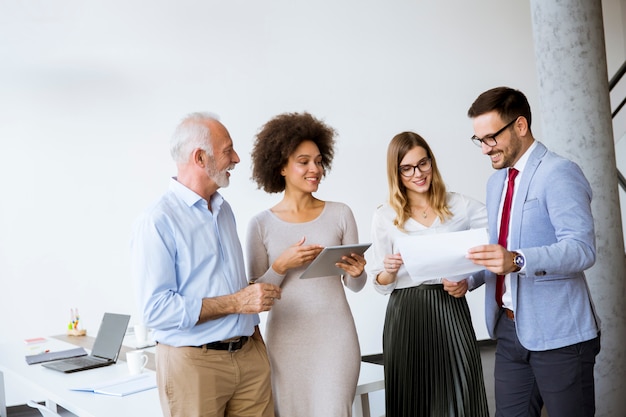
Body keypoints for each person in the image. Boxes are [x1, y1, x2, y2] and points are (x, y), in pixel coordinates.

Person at [130, 112, 282, 417]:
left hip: (249, 356)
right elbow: (155, 309)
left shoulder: (224, 211)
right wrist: (237, 302)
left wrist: (253, 335)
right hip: (194, 365)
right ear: (200, 157)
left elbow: (228, 285)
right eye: (228, 150)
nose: (236, 158)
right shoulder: (158, 220)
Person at [466, 86, 601, 417]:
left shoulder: (559, 172)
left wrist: (518, 260)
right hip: (511, 330)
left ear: (520, 126)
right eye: (478, 140)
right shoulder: (496, 183)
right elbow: (499, 251)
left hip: (561, 336)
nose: (484, 149)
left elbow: (581, 249)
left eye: (490, 138)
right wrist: (468, 280)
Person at [245, 111, 367, 417]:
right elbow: (257, 300)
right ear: (282, 166)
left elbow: (355, 285)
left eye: (318, 160)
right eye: (304, 161)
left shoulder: (341, 214)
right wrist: (282, 264)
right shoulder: (260, 225)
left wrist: (357, 272)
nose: (315, 169)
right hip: (286, 343)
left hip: (336, 340)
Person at [367, 131, 490, 417]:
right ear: (396, 173)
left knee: (461, 397)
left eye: (423, 163)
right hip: (406, 312)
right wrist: (388, 271)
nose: (418, 173)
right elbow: (380, 281)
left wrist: (469, 280)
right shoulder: (384, 216)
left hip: (450, 307)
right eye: (407, 168)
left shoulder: (461, 205)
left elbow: (499, 241)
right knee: (413, 400)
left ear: (431, 162)